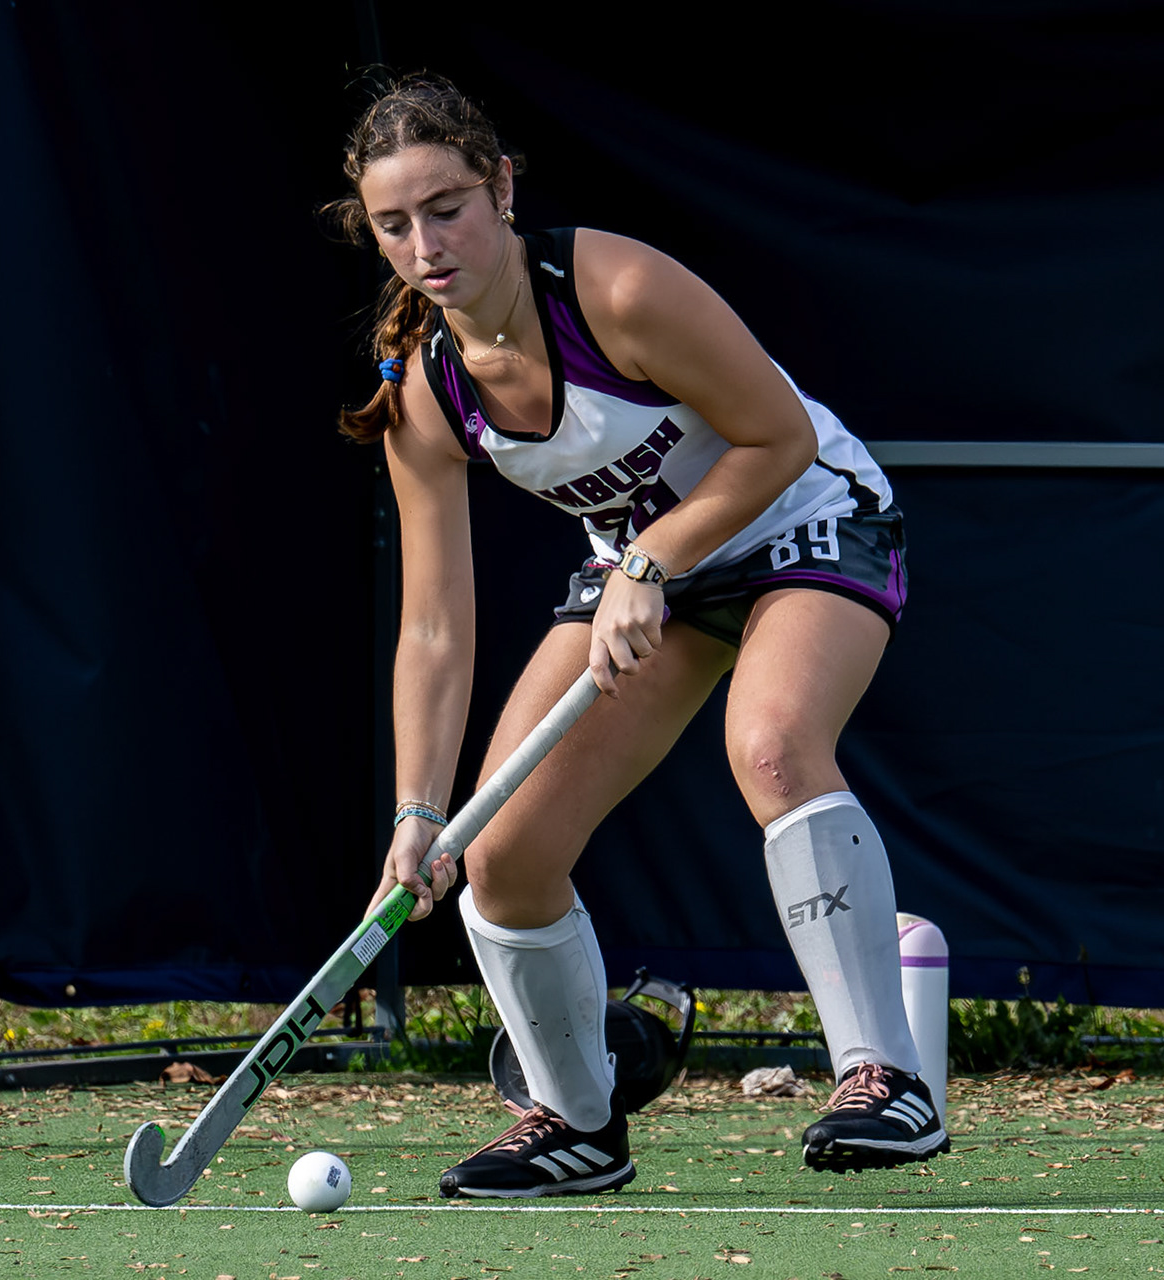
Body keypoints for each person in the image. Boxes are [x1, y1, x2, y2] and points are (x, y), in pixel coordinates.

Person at [338, 74, 944, 1199]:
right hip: (642, 568)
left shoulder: (615, 289)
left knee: (770, 742)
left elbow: (774, 437)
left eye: (449, 206)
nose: (427, 243)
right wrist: (418, 813)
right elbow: (433, 624)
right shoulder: (424, 391)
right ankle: (575, 1121)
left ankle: (883, 1073)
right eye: (394, 222)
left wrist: (652, 558)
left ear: (503, 186)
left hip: (804, 512)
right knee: (501, 854)